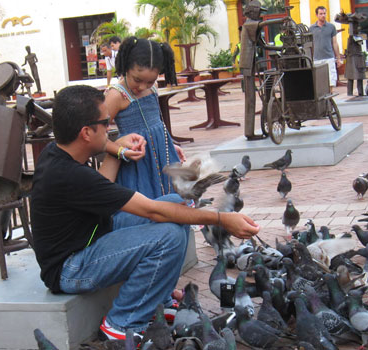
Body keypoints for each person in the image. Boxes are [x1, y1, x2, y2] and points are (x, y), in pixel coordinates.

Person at [30, 84, 260, 340]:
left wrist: (118, 150)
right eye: (106, 123)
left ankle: (158, 300)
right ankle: (120, 324)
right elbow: (153, 211)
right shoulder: (69, 174)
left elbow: (100, 188)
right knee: (168, 235)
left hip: (91, 237)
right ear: (86, 132)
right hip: (71, 268)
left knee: (175, 202)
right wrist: (221, 218)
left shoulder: (56, 154)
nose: (110, 128)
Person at [104, 37, 185, 200]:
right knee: (147, 203)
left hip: (162, 156)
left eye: (150, 81)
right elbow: (96, 137)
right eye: (137, 80)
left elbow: (156, 122)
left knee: (173, 199)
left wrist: (168, 144)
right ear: (126, 66)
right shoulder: (116, 95)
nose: (142, 87)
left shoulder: (152, 88)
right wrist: (121, 151)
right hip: (137, 161)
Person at [310, 6, 343, 91]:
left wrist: (338, 58)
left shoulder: (331, 27)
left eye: (324, 13)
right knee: (319, 82)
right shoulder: (311, 29)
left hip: (329, 57)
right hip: (317, 59)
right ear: (316, 15)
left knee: (331, 81)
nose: (323, 15)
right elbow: (309, 45)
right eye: (321, 14)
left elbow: (335, 43)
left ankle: (330, 98)